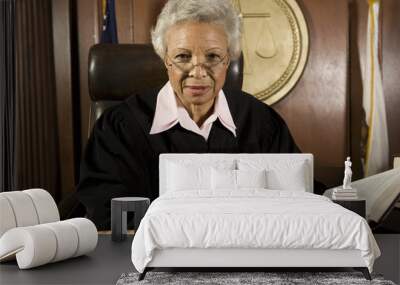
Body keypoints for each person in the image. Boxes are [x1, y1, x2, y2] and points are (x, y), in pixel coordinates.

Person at [77, 0, 301, 230]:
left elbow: (298, 196)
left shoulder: (261, 121)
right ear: (165, 59)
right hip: (154, 258)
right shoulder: (119, 128)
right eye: (183, 56)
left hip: (244, 254)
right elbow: (107, 213)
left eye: (212, 57)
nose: (198, 71)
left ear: (229, 59)